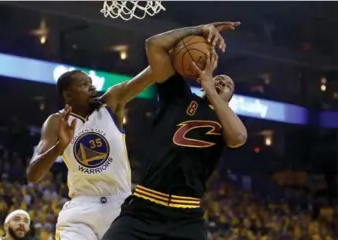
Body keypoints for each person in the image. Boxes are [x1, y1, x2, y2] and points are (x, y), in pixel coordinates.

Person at [102, 21, 247, 240]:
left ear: (229, 99)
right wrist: (198, 30)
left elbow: (239, 137)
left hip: (185, 217)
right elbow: (154, 45)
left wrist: (211, 87)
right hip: (143, 207)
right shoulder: (179, 96)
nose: (221, 83)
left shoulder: (225, 120)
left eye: (227, 85)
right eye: (218, 79)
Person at [26, 66, 155, 240]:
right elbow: (33, 174)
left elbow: (152, 73)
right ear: (68, 95)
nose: (92, 87)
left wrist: (184, 42)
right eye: (84, 84)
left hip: (120, 206)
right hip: (81, 210)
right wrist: (59, 147)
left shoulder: (111, 101)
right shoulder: (57, 121)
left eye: (91, 83)